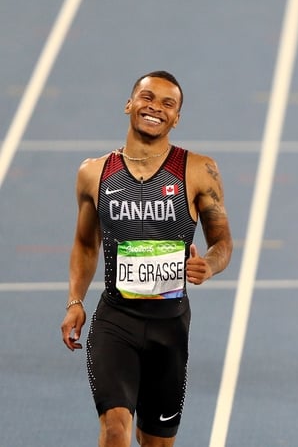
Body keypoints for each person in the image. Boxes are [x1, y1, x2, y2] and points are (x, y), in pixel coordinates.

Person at [59, 70, 233, 446]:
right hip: (115, 321)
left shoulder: (199, 170)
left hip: (169, 327)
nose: (155, 108)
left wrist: (209, 265)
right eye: (147, 97)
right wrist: (75, 300)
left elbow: (222, 243)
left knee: (155, 441)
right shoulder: (93, 173)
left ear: (177, 118)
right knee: (115, 428)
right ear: (129, 104)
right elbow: (85, 245)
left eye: (168, 104)